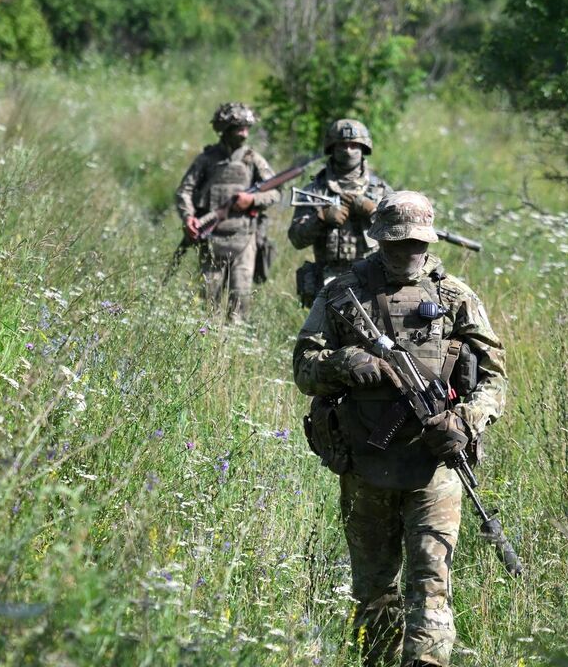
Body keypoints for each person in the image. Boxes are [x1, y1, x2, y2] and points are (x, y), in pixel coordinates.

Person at [292, 191, 508, 667]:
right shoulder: (343, 293)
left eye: (414, 245)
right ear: (378, 241)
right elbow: (303, 367)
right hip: (366, 466)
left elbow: (495, 378)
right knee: (372, 592)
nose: (405, 254)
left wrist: (466, 419)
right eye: (395, 244)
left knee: (431, 587)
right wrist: (345, 360)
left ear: (428, 242)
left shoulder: (454, 296)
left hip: (436, 467)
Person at [174, 102, 279, 323]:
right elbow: (184, 191)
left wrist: (253, 199)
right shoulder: (207, 159)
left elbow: (275, 192)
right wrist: (189, 218)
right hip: (211, 241)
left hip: (244, 240)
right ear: (224, 129)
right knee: (207, 303)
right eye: (237, 126)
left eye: (246, 126)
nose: (243, 131)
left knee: (240, 301)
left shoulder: (254, 160)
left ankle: (232, 351)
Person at [288, 118, 393, 307]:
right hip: (327, 279)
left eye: (354, 145)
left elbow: (399, 235)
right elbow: (296, 239)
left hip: (373, 277)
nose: (348, 150)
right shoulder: (314, 190)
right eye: (342, 145)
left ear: (364, 148)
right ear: (332, 148)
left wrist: (373, 212)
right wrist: (320, 218)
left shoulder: (381, 190)